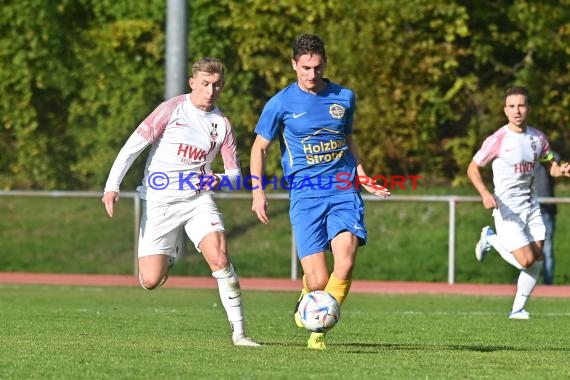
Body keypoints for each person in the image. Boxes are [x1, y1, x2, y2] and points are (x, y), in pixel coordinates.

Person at [102, 57, 259, 347]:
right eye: (205, 84)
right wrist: (112, 186)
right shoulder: (170, 110)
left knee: (220, 258)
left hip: (198, 200)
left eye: (216, 85)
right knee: (150, 280)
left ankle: (240, 333)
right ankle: (169, 255)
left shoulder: (222, 124)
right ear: (192, 83)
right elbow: (131, 147)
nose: (210, 91)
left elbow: (236, 176)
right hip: (160, 201)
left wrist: (219, 180)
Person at [249, 34, 391, 349]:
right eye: (305, 68)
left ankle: (318, 331)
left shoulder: (344, 97)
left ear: (325, 63)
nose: (311, 74)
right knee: (316, 281)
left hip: (342, 188)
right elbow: (260, 148)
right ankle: (307, 296)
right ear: (294, 65)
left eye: (317, 67)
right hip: (305, 194)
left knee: (347, 259)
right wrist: (258, 192)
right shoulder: (280, 103)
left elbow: (348, 140)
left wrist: (362, 173)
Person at [467, 86, 570, 319]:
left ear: (528, 108)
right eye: (512, 106)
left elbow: (549, 165)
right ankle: (491, 237)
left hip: (531, 206)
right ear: (505, 110)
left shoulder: (538, 138)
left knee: (537, 259)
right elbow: (473, 168)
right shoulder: (497, 139)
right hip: (507, 208)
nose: (517, 110)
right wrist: (484, 193)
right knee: (525, 260)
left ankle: (517, 309)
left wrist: (560, 170)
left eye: (521, 105)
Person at [534, 151, 560, 285]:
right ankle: (530, 281)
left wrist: (543, 150)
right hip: (530, 210)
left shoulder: (549, 158)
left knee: (547, 249)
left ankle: (548, 284)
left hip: (547, 211)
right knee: (528, 248)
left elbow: (556, 158)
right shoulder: (526, 158)